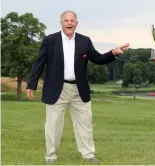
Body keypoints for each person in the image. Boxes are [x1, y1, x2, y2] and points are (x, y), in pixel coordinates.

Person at [26, 10, 129, 164]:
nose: (69, 23)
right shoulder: (50, 40)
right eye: (66, 20)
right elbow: (39, 63)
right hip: (56, 90)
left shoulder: (84, 41)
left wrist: (113, 52)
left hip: (79, 90)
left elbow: (98, 59)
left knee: (85, 124)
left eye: (72, 21)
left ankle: (88, 155)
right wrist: (31, 84)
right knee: (53, 126)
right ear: (61, 23)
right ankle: (51, 157)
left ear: (76, 24)